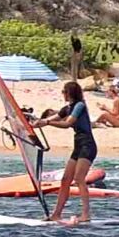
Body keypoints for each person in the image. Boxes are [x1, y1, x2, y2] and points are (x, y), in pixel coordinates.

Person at [30, 81, 99, 225]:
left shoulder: (79, 106)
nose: (63, 94)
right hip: (78, 146)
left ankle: (86, 214)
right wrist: (34, 124)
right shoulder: (66, 108)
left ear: (70, 93)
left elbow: (68, 123)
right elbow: (48, 120)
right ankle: (56, 215)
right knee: (65, 180)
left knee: (79, 179)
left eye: (64, 92)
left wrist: (47, 123)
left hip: (88, 145)